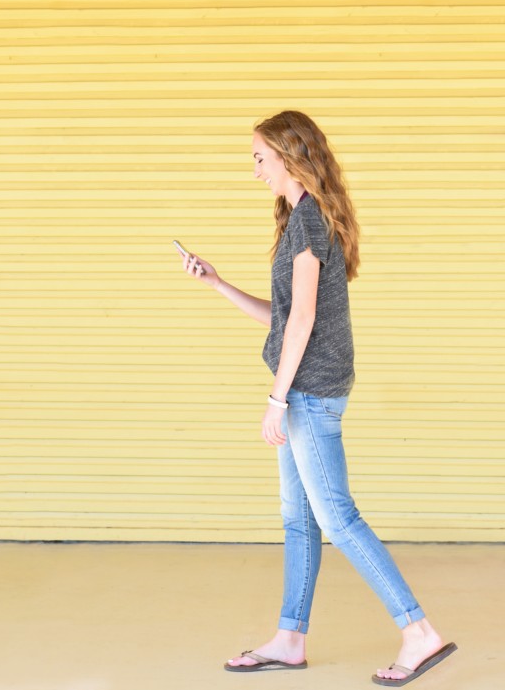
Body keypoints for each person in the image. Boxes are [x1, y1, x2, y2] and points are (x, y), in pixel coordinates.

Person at [180, 110, 457, 686]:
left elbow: (303, 319)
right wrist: (216, 282)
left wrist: (277, 400)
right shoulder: (303, 220)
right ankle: (290, 638)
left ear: (287, 155)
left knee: (337, 515)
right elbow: (282, 318)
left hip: (310, 391)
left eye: (259, 157)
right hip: (305, 388)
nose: (254, 169)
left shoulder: (308, 224)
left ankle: (419, 632)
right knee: (300, 519)